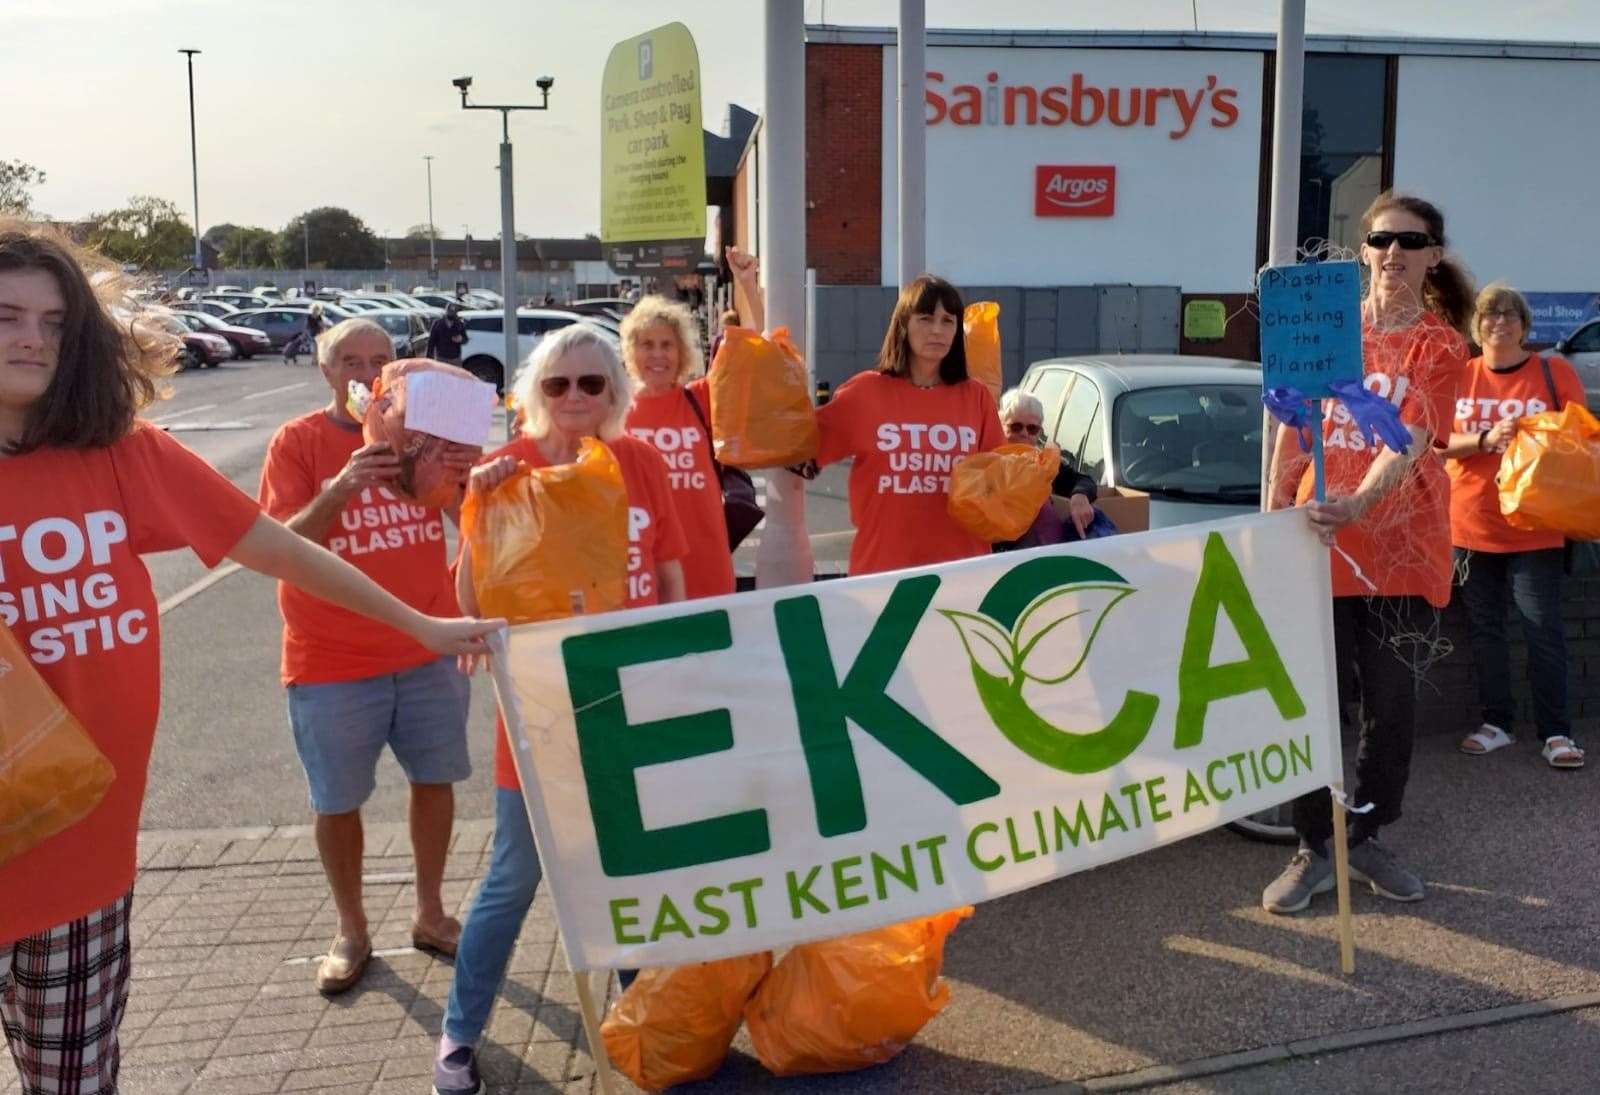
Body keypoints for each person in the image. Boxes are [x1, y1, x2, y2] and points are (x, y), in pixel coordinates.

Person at [0, 223, 501, 1095]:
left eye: (52, 320)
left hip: (81, 857)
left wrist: (420, 623)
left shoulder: (117, 452)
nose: (32, 338)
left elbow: (275, 547)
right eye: (6, 315)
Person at [433, 323, 686, 1095]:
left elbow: (669, 577)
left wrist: (672, 667)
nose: (574, 398)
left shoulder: (639, 462)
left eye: (592, 384)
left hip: (627, 690)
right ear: (534, 392)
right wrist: (476, 519)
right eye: (557, 384)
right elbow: (470, 603)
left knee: (628, 860)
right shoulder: (503, 469)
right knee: (514, 874)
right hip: (539, 700)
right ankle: (459, 1032)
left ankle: (634, 1009)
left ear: (615, 392)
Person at [1262, 192, 1473, 914]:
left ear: (1433, 256)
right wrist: (1271, 521)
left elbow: (1410, 440)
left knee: (1391, 706)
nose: (1394, 253)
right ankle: (1313, 846)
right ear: (1363, 249)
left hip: (1400, 554)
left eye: (1410, 243)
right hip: (1314, 548)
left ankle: (1369, 833)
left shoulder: (1440, 345)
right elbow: (1290, 430)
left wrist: (1355, 504)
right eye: (1382, 239)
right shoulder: (1324, 330)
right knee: (1317, 705)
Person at [258, 319, 480, 996]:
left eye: (379, 361)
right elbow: (279, 544)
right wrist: (345, 486)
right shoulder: (298, 441)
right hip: (330, 657)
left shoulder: (422, 428)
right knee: (337, 801)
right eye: (349, 361)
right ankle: (351, 928)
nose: (364, 374)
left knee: (435, 781)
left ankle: (432, 912)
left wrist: (461, 478)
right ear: (326, 372)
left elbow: (467, 522)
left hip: (429, 645)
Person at [1441, 283, 1585, 768]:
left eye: (1509, 314)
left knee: (1542, 629)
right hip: (1471, 524)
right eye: (1488, 314)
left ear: (1525, 325)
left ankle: (1557, 733)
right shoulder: (1459, 376)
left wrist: (1529, 435)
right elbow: (1434, 446)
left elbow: (1580, 439)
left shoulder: (1554, 371)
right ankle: (1496, 722)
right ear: (1475, 326)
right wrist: (1483, 439)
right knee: (1485, 630)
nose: (1498, 322)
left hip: (1537, 525)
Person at [802, 273, 1005, 576]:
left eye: (948, 321)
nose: (937, 330)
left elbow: (1000, 482)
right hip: (881, 576)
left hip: (964, 577)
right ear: (903, 324)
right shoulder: (865, 393)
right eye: (925, 318)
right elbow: (797, 450)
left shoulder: (975, 397)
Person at [621, 294, 736, 600]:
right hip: (644, 568)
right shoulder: (614, 412)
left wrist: (750, 285)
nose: (658, 355)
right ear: (631, 351)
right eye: (647, 345)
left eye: (666, 345)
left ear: (681, 352)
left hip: (706, 561)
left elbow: (747, 352)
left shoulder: (700, 399)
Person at [995, 386, 1099, 549]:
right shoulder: (986, 464)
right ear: (1000, 425)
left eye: (1032, 428)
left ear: (1039, 433)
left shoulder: (1043, 464)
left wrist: (1079, 496)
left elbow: (1083, 480)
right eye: (1016, 427)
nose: (1024, 433)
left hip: (1049, 561)